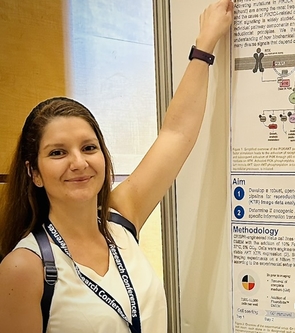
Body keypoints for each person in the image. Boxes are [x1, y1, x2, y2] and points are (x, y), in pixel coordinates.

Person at [0, 0, 233, 332]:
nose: (78, 162)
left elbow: (176, 134)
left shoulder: (121, 218)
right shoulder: (26, 267)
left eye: (88, 147)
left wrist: (205, 45)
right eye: (57, 153)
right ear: (33, 173)